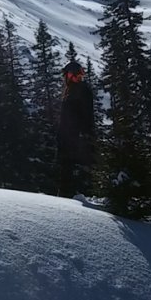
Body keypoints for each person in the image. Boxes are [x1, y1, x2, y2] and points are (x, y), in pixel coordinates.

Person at [56, 61, 97, 198]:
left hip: (77, 137)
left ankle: (76, 196)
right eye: (75, 75)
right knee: (66, 167)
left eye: (80, 75)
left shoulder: (82, 90)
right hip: (68, 136)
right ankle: (66, 195)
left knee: (76, 168)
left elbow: (87, 115)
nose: (78, 77)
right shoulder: (70, 91)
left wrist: (85, 134)